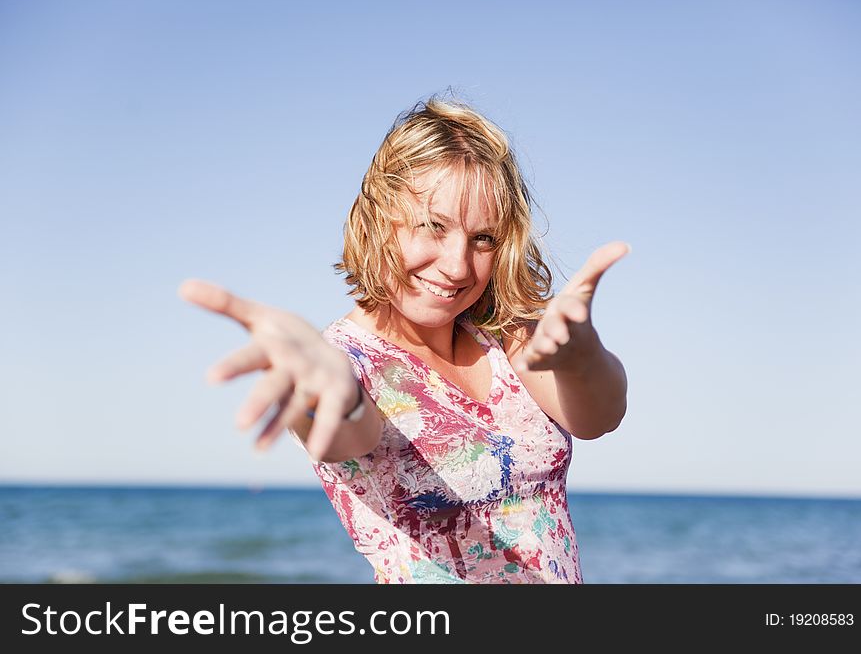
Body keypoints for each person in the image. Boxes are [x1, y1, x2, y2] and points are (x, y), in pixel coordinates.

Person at [179, 97, 629, 584]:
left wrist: (583, 355)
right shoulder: (345, 362)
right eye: (433, 226)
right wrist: (329, 386)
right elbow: (345, 429)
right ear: (379, 218)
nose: (457, 266)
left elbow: (597, 420)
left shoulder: (504, 335)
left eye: (483, 239)